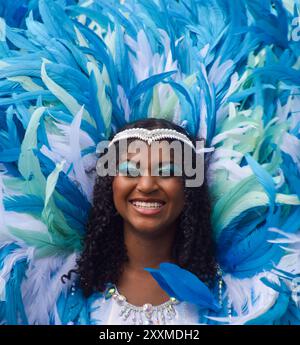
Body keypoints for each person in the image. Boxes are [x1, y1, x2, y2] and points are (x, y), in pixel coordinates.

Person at [60, 117, 226, 325]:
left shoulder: (225, 290)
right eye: (130, 170)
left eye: (167, 172)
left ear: (189, 189)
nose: (147, 186)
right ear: (110, 184)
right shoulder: (71, 286)